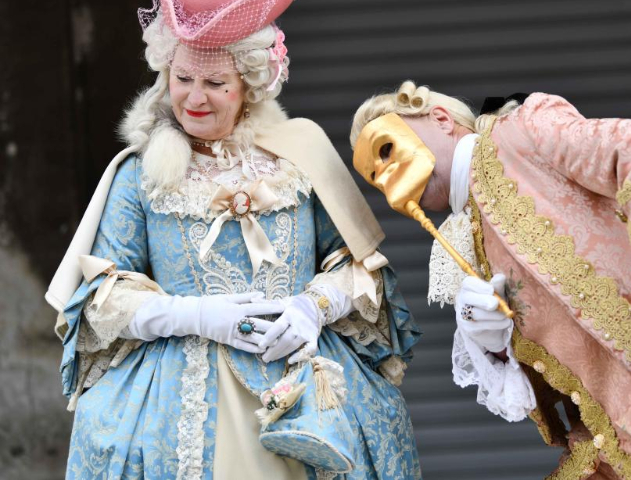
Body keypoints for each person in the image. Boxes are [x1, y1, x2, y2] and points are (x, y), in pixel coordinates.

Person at [45, 2, 422, 479]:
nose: (194, 98)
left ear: (248, 85)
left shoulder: (298, 153)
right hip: (178, 388)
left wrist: (314, 307)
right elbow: (103, 296)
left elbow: (359, 264)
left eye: (215, 84)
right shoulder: (137, 174)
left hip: (302, 370)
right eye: (182, 79)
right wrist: (194, 315)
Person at [349, 80, 631, 479]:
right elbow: (552, 385)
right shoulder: (466, 245)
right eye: (373, 179)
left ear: (441, 119)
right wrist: (494, 347)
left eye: (386, 150)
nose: (388, 182)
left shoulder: (521, 132)